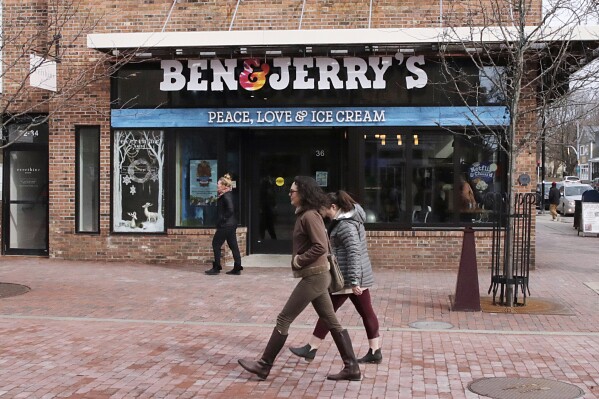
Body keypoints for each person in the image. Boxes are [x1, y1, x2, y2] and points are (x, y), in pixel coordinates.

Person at [238, 176, 361, 381]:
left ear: (303, 194)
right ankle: (352, 367)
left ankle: (264, 365)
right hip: (318, 275)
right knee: (332, 321)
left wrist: (299, 261)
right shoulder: (307, 214)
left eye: (293, 191)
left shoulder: (310, 216)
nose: (289, 193)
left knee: (284, 318)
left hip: (315, 276)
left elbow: (320, 246)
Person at [289, 190, 382, 364]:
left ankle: (312, 348)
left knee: (328, 311)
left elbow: (354, 253)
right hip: (351, 276)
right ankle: (375, 351)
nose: (323, 213)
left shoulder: (346, 225)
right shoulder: (345, 221)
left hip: (347, 278)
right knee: (365, 312)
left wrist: (354, 281)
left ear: (334, 206)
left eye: (325, 209)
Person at [205, 173, 243, 275]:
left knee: (216, 244)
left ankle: (216, 268)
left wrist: (222, 219)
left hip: (226, 225)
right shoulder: (227, 194)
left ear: (224, 185)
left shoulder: (226, 195)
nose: (217, 185)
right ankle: (237, 268)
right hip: (231, 224)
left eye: (218, 184)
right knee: (233, 245)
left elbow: (230, 209)